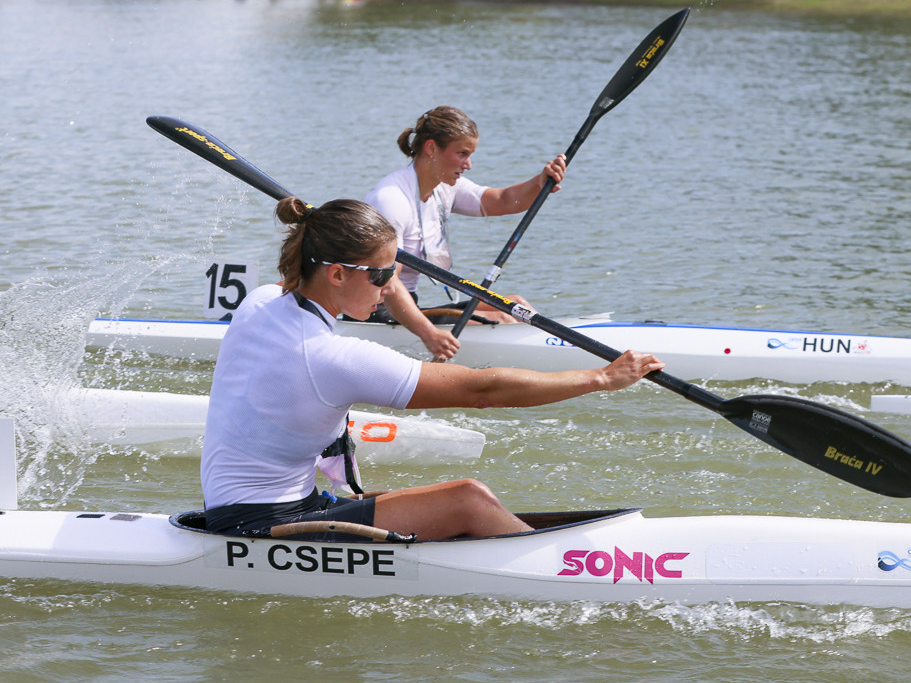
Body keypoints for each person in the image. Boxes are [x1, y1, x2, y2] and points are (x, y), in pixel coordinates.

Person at [200, 197, 662, 542]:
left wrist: (324, 227)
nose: (389, 288)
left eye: (393, 271)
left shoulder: (261, 301)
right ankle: (560, 572)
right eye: (380, 274)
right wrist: (601, 378)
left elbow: (305, 270)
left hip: (252, 507)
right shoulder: (332, 357)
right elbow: (482, 390)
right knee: (468, 499)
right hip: (265, 524)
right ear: (336, 274)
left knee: (413, 498)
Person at [362, 106, 567, 362]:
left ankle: (555, 354)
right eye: (462, 154)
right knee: (502, 318)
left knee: (518, 306)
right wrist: (428, 334)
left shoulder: (444, 187)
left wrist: (539, 182)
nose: (468, 165)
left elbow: (503, 200)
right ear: (431, 148)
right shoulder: (392, 201)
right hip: (375, 311)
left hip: (406, 306)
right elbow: (387, 282)